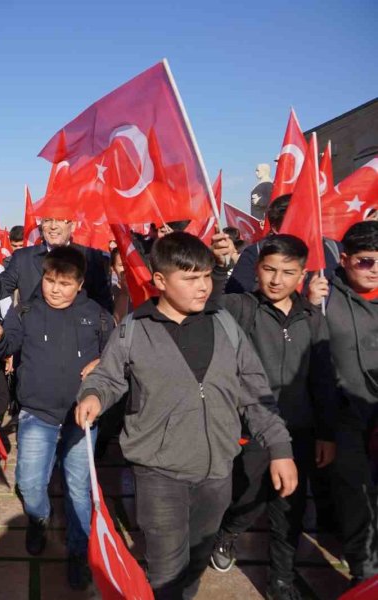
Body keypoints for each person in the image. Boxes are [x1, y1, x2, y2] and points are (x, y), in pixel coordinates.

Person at [75, 232, 297, 600]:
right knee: (165, 566)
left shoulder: (226, 325)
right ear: (160, 281)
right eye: (191, 278)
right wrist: (94, 396)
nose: (203, 287)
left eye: (207, 276)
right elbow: (108, 375)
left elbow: (256, 393)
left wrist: (279, 447)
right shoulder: (134, 330)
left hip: (217, 471)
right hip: (159, 473)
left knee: (196, 558)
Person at [207, 234, 337, 600]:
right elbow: (207, 305)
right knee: (248, 495)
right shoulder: (241, 308)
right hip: (251, 428)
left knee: (289, 508)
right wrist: (219, 268)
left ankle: (281, 580)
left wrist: (326, 432)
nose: (277, 280)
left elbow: (323, 378)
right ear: (257, 269)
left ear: (303, 275)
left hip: (299, 429)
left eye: (288, 272)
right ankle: (228, 533)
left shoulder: (313, 319)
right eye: (269, 269)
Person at [0, 246, 114, 590]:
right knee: (28, 483)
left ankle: (77, 551)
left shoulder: (98, 315)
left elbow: (116, 358)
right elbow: (6, 345)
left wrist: (102, 364)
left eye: (65, 283)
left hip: (80, 419)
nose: (55, 288)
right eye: (50, 280)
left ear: (80, 283)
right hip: (36, 416)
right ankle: (39, 519)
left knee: (78, 491)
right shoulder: (25, 310)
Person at [308, 220, 378, 588]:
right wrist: (308, 306)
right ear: (346, 260)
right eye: (366, 261)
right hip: (344, 415)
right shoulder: (323, 296)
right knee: (355, 495)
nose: (375, 269)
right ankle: (364, 574)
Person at [0, 216, 113, 313]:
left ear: (72, 225)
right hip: (32, 342)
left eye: (60, 219)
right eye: (47, 220)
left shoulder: (91, 258)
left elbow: (104, 309)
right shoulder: (23, 258)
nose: (53, 226)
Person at [224, 196, 342, 294]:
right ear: (276, 228)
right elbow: (236, 297)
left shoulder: (333, 249)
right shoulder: (256, 253)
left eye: (306, 222)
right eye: (270, 270)